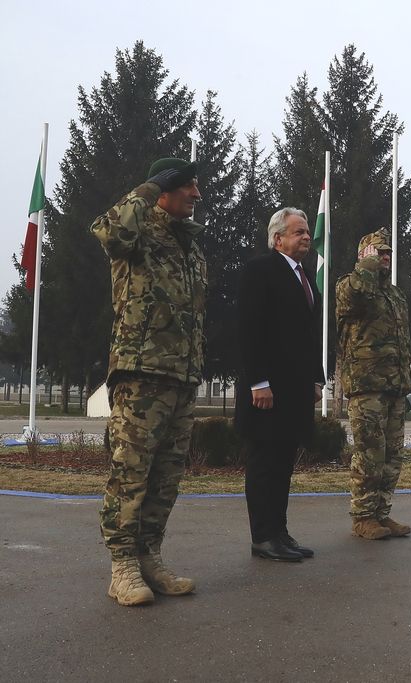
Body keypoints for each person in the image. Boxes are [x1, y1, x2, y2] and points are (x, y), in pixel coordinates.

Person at [91, 158, 207, 606]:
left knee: (166, 477)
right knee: (131, 474)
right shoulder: (136, 232)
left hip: (182, 375)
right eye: (187, 188)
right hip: (141, 374)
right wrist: (148, 186)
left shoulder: (190, 246)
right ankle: (122, 567)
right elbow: (109, 231)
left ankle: (149, 557)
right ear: (163, 191)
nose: (196, 195)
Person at [235, 208, 325, 561]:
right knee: (264, 463)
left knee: (284, 463)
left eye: (306, 232)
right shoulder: (260, 271)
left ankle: (280, 532)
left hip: (295, 391)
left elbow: (308, 336)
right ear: (278, 239)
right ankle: (262, 537)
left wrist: (317, 378)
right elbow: (249, 330)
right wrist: (258, 382)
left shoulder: (305, 278)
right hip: (266, 391)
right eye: (299, 232)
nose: (306, 237)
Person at [335, 228, 411, 540]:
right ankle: (363, 517)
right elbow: (351, 299)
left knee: (392, 456)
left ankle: (382, 513)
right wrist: (364, 270)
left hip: (394, 385)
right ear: (363, 256)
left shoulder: (394, 296)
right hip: (366, 386)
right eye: (378, 252)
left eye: (388, 253)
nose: (385, 257)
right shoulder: (351, 286)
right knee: (369, 454)